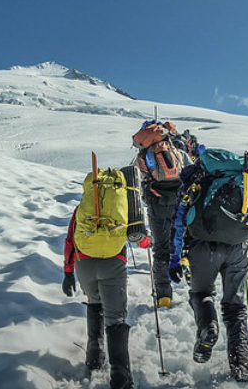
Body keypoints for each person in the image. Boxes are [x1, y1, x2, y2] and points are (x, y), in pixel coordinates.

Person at [168, 147, 248, 382]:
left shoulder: (194, 178)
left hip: (202, 246)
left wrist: (175, 258)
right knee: (236, 306)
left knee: (201, 293)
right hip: (238, 247)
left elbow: (178, 220)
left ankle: (208, 327)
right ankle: (241, 364)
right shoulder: (241, 176)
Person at [63, 204, 137, 389]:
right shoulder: (121, 206)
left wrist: (68, 271)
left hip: (84, 263)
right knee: (116, 318)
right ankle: (120, 376)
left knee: (94, 301)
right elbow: (140, 237)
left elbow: (70, 239)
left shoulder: (82, 207)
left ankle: (94, 355)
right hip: (113, 262)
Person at [132, 121, 195, 308]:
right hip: (180, 203)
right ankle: (191, 274)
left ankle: (163, 296)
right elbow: (191, 172)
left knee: (161, 249)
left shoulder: (143, 157)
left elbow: (142, 178)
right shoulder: (179, 153)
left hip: (157, 205)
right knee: (186, 240)